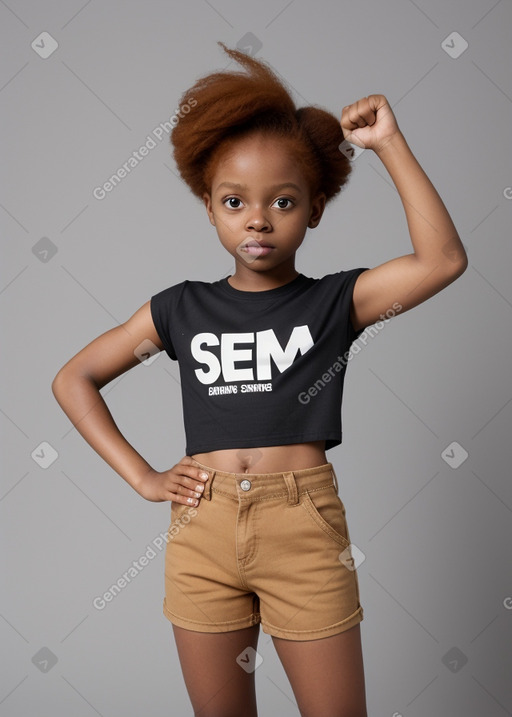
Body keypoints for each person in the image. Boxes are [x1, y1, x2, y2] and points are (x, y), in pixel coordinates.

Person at [52, 42, 467, 717]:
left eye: (282, 200)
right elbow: (74, 377)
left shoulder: (337, 301)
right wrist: (145, 477)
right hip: (201, 529)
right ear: (210, 209)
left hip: (301, 525)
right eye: (234, 200)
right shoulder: (180, 307)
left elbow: (443, 259)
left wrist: (388, 145)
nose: (258, 218)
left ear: (316, 208)